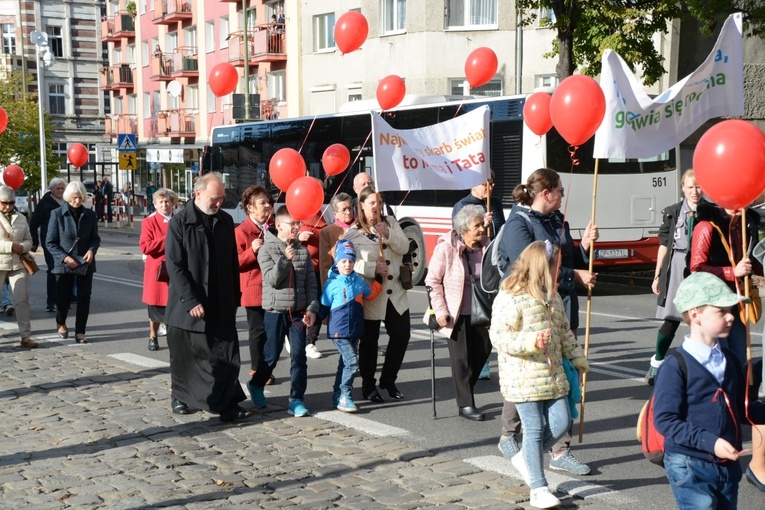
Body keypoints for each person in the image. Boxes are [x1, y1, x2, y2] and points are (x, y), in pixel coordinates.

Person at [496, 168, 598, 476]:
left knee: (561, 377)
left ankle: (559, 449)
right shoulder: (518, 224)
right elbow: (526, 270)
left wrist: (584, 248)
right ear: (545, 194)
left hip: (561, 308)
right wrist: (574, 276)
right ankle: (508, 435)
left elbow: (569, 260)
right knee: (528, 377)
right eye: (560, 191)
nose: (563, 196)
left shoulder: (557, 221)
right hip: (531, 313)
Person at [654, 271, 765, 509]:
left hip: (727, 465)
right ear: (696, 315)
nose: (731, 317)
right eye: (721, 311)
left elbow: (739, 408)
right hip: (689, 463)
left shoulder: (731, 360)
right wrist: (710, 442)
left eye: (731, 310)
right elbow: (665, 420)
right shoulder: (676, 366)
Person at [490, 240, 588, 508]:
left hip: (552, 375)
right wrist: (531, 341)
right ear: (542, 267)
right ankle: (539, 488)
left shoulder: (552, 295)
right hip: (522, 377)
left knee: (561, 423)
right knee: (533, 429)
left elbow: (565, 331)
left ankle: (525, 457)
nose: (559, 271)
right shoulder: (510, 296)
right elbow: (499, 337)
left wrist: (578, 358)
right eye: (555, 266)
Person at [164, 172, 248, 422]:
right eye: (215, 198)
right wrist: (191, 301)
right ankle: (180, 396)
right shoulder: (180, 222)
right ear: (198, 193)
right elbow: (175, 265)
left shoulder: (224, 221)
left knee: (227, 356)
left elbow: (232, 262)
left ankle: (227, 404)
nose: (219, 203)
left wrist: (235, 298)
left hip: (221, 303)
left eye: (222, 198)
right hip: (189, 305)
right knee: (188, 359)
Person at [248, 206, 319, 417]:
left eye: (299, 223)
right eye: (293, 224)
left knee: (299, 356)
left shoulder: (303, 251)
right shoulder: (266, 248)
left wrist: (312, 309)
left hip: (298, 313)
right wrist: (284, 260)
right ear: (279, 225)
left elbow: (311, 284)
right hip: (275, 311)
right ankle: (256, 384)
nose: (297, 228)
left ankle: (296, 399)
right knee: (271, 355)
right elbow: (272, 279)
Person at [425, 204, 492, 421]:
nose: (482, 228)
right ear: (463, 229)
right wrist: (441, 311)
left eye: (482, 224)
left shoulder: (487, 246)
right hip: (455, 312)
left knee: (483, 351)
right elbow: (432, 281)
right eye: (477, 225)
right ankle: (465, 404)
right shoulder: (447, 247)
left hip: (482, 310)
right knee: (461, 359)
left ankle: (463, 390)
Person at [345, 186, 411, 403]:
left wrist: (389, 234)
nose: (376, 207)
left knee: (401, 335)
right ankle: (368, 385)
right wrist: (372, 268)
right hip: (372, 293)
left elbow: (404, 247)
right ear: (361, 205)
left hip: (395, 292)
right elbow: (346, 264)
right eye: (372, 203)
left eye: (379, 202)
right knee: (370, 342)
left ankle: (389, 380)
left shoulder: (391, 222)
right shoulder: (353, 233)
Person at [645, 170, 705, 384]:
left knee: (701, 320)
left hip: (701, 267)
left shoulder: (711, 212)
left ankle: (702, 366)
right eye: (690, 187)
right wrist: (657, 275)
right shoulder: (673, 212)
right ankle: (656, 363)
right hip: (677, 266)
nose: (694, 191)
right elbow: (664, 244)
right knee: (671, 319)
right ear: (683, 188)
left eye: (698, 187)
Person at [690, 201, 761, 367]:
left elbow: (755, 261)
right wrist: (732, 272)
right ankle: (721, 391)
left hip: (737, 299)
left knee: (740, 357)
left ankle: (738, 390)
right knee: (718, 357)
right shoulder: (707, 225)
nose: (739, 206)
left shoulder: (745, 225)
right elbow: (696, 268)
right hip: (712, 301)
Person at [451, 173, 505, 381]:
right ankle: (476, 365)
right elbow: (458, 233)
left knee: (491, 317)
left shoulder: (496, 203)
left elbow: (501, 231)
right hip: (474, 268)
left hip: (493, 265)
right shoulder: (463, 204)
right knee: (477, 316)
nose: (489, 187)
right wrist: (482, 224)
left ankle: (484, 359)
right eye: (485, 183)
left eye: (492, 183)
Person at [320, 239, 382, 412]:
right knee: (353, 362)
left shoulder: (359, 281)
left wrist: (379, 281)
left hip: (355, 329)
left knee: (344, 363)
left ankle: (336, 394)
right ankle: (345, 395)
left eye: (351, 261)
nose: (347, 265)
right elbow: (324, 306)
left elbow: (369, 295)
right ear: (337, 262)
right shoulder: (331, 284)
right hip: (339, 331)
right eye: (344, 261)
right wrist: (312, 327)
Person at [46, 181, 100, 344]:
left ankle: (80, 331)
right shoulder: (57, 214)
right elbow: (50, 242)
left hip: (85, 263)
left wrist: (91, 250)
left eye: (80, 197)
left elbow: (95, 238)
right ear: (68, 197)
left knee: (84, 297)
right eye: (75, 198)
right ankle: (61, 322)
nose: (78, 201)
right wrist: (65, 258)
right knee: (64, 297)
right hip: (64, 263)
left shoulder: (90, 215)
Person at [235, 186, 273, 385]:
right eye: (262, 203)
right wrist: (252, 251)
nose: (267, 206)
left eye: (268, 202)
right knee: (258, 331)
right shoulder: (242, 231)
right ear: (250, 208)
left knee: (272, 331)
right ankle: (256, 368)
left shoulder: (273, 227)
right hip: (254, 287)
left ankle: (267, 367)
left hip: (274, 286)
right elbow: (236, 262)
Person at [139, 188, 177, 352]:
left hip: (177, 269)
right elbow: (145, 246)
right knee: (156, 306)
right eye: (160, 202)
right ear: (155, 204)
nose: (164, 205)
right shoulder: (149, 222)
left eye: (167, 201)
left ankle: (174, 338)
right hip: (158, 270)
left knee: (175, 307)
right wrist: (167, 239)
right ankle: (153, 335)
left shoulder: (179, 219)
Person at [0, 186, 36, 348]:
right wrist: (10, 247)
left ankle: (25, 336)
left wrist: (23, 247)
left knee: (22, 299)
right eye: (4, 203)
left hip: (18, 263)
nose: (8, 206)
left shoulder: (21, 217)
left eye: (11, 202)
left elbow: (29, 239)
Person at [29, 177, 66, 312]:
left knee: (67, 270)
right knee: (53, 270)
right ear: (51, 190)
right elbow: (34, 223)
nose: (61, 191)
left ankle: (67, 296)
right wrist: (35, 241)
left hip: (66, 242)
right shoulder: (45, 203)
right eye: (58, 188)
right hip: (50, 242)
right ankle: (51, 301)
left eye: (62, 188)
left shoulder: (68, 201)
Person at [298, 209, 327, 359]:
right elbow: (283, 242)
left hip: (321, 272)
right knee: (304, 307)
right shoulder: (297, 217)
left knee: (319, 307)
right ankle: (297, 338)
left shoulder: (323, 216)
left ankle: (310, 342)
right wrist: (298, 237)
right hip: (302, 272)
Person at [319, 193, 355, 287]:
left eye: (350, 208)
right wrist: (327, 290)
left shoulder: (361, 227)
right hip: (339, 286)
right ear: (335, 214)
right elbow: (325, 266)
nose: (348, 212)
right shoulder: (327, 232)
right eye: (344, 210)